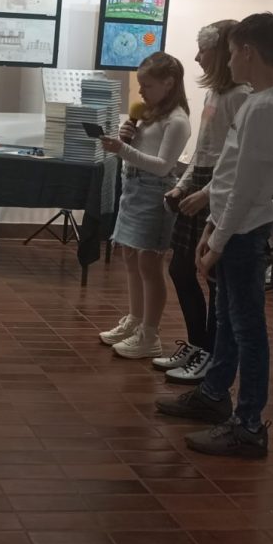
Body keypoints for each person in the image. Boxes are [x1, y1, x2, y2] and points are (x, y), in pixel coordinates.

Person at [155, 13, 273, 463]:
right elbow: (230, 173)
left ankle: (248, 424)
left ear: (248, 52)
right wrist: (213, 226)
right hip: (233, 226)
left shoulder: (267, 107)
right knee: (231, 321)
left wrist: (217, 239)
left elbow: (247, 186)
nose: (227, 60)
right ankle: (214, 393)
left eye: (232, 52)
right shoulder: (256, 102)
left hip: (246, 230)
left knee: (247, 328)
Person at [156, 21, 248, 384]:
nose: (196, 57)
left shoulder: (241, 96)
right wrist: (182, 185)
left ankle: (210, 353)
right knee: (180, 269)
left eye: (203, 50)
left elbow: (235, 160)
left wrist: (207, 192)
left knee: (212, 278)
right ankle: (196, 344)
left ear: (222, 53)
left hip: (220, 187)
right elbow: (203, 149)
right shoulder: (214, 94)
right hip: (200, 182)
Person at [99, 52, 192, 359]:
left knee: (149, 264)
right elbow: (141, 152)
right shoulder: (149, 114)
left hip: (154, 194)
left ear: (169, 83)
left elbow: (163, 166)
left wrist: (122, 149)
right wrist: (128, 138)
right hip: (132, 188)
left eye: (147, 85)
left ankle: (150, 334)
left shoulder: (177, 120)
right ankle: (135, 319)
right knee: (130, 257)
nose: (140, 91)